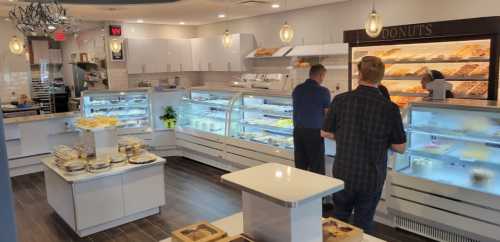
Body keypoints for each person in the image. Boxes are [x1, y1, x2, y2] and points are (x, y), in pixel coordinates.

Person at [321, 56, 407, 233]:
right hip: (371, 176)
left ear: (359, 74)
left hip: (343, 171)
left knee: (339, 218)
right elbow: (400, 147)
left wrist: (346, 137)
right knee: (364, 222)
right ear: (380, 78)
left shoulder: (341, 100)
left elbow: (325, 132)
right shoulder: (390, 108)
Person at [292, 64, 331, 175]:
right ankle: (317, 191)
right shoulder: (323, 91)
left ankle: (302, 190)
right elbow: (328, 114)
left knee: (300, 165)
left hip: (298, 131)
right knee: (316, 166)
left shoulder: (297, 89)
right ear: (320, 75)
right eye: (323, 76)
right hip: (314, 133)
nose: (323, 79)